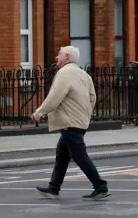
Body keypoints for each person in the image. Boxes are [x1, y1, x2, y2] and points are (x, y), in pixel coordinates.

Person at [32, 46, 110, 200]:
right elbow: (92, 97)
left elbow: (54, 97)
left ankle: (101, 186)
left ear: (66, 57)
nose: (56, 57)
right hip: (78, 121)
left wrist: (38, 113)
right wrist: (85, 114)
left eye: (59, 54)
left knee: (80, 157)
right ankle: (54, 188)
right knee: (62, 156)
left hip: (69, 123)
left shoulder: (64, 73)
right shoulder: (84, 75)